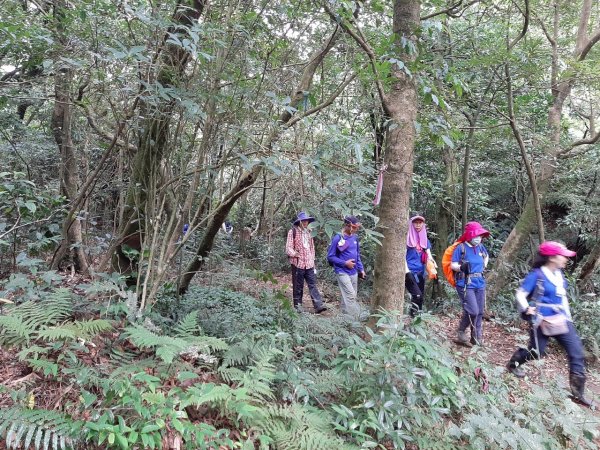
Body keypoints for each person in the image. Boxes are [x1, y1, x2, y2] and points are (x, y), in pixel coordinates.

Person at [506, 241, 593, 407]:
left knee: (576, 353)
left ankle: (578, 393)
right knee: (536, 352)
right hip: (540, 320)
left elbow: (563, 298)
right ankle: (513, 364)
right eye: (563, 256)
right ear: (552, 257)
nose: (566, 259)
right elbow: (520, 294)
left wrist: (569, 318)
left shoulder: (559, 275)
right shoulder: (537, 275)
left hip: (561, 319)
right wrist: (527, 309)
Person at [451, 221, 490, 346]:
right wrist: (462, 267)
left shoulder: (480, 247)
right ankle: (461, 331)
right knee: (472, 310)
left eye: (480, 236)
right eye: (476, 236)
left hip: (480, 282)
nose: (478, 238)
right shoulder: (461, 248)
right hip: (465, 283)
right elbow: (453, 264)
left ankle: (476, 337)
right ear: (469, 236)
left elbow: (486, 257)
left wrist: (484, 265)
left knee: (479, 312)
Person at [285, 212, 327, 314]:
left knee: (312, 284)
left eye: (306, 220)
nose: (305, 222)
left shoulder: (309, 232)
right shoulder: (293, 232)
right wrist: (295, 254)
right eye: (303, 220)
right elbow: (288, 248)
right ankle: (298, 307)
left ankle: (318, 305)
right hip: (298, 264)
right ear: (299, 222)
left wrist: (312, 260)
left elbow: (312, 248)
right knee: (298, 286)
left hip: (309, 264)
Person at [327, 215, 366, 318]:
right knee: (350, 295)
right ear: (347, 225)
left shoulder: (355, 238)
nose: (356, 229)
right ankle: (355, 318)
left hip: (353, 272)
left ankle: (343, 318)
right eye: (354, 227)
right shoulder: (338, 238)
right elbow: (330, 257)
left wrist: (361, 269)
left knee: (348, 296)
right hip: (342, 271)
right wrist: (345, 263)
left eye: (357, 227)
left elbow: (357, 254)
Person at [405, 215, 436, 316]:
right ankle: (412, 317)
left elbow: (429, 255)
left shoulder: (424, 239)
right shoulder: (407, 238)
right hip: (409, 272)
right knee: (417, 295)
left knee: (420, 297)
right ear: (412, 224)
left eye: (420, 223)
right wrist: (406, 272)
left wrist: (433, 268)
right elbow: (401, 256)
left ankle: (417, 321)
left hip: (420, 273)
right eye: (415, 222)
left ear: (423, 224)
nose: (418, 225)